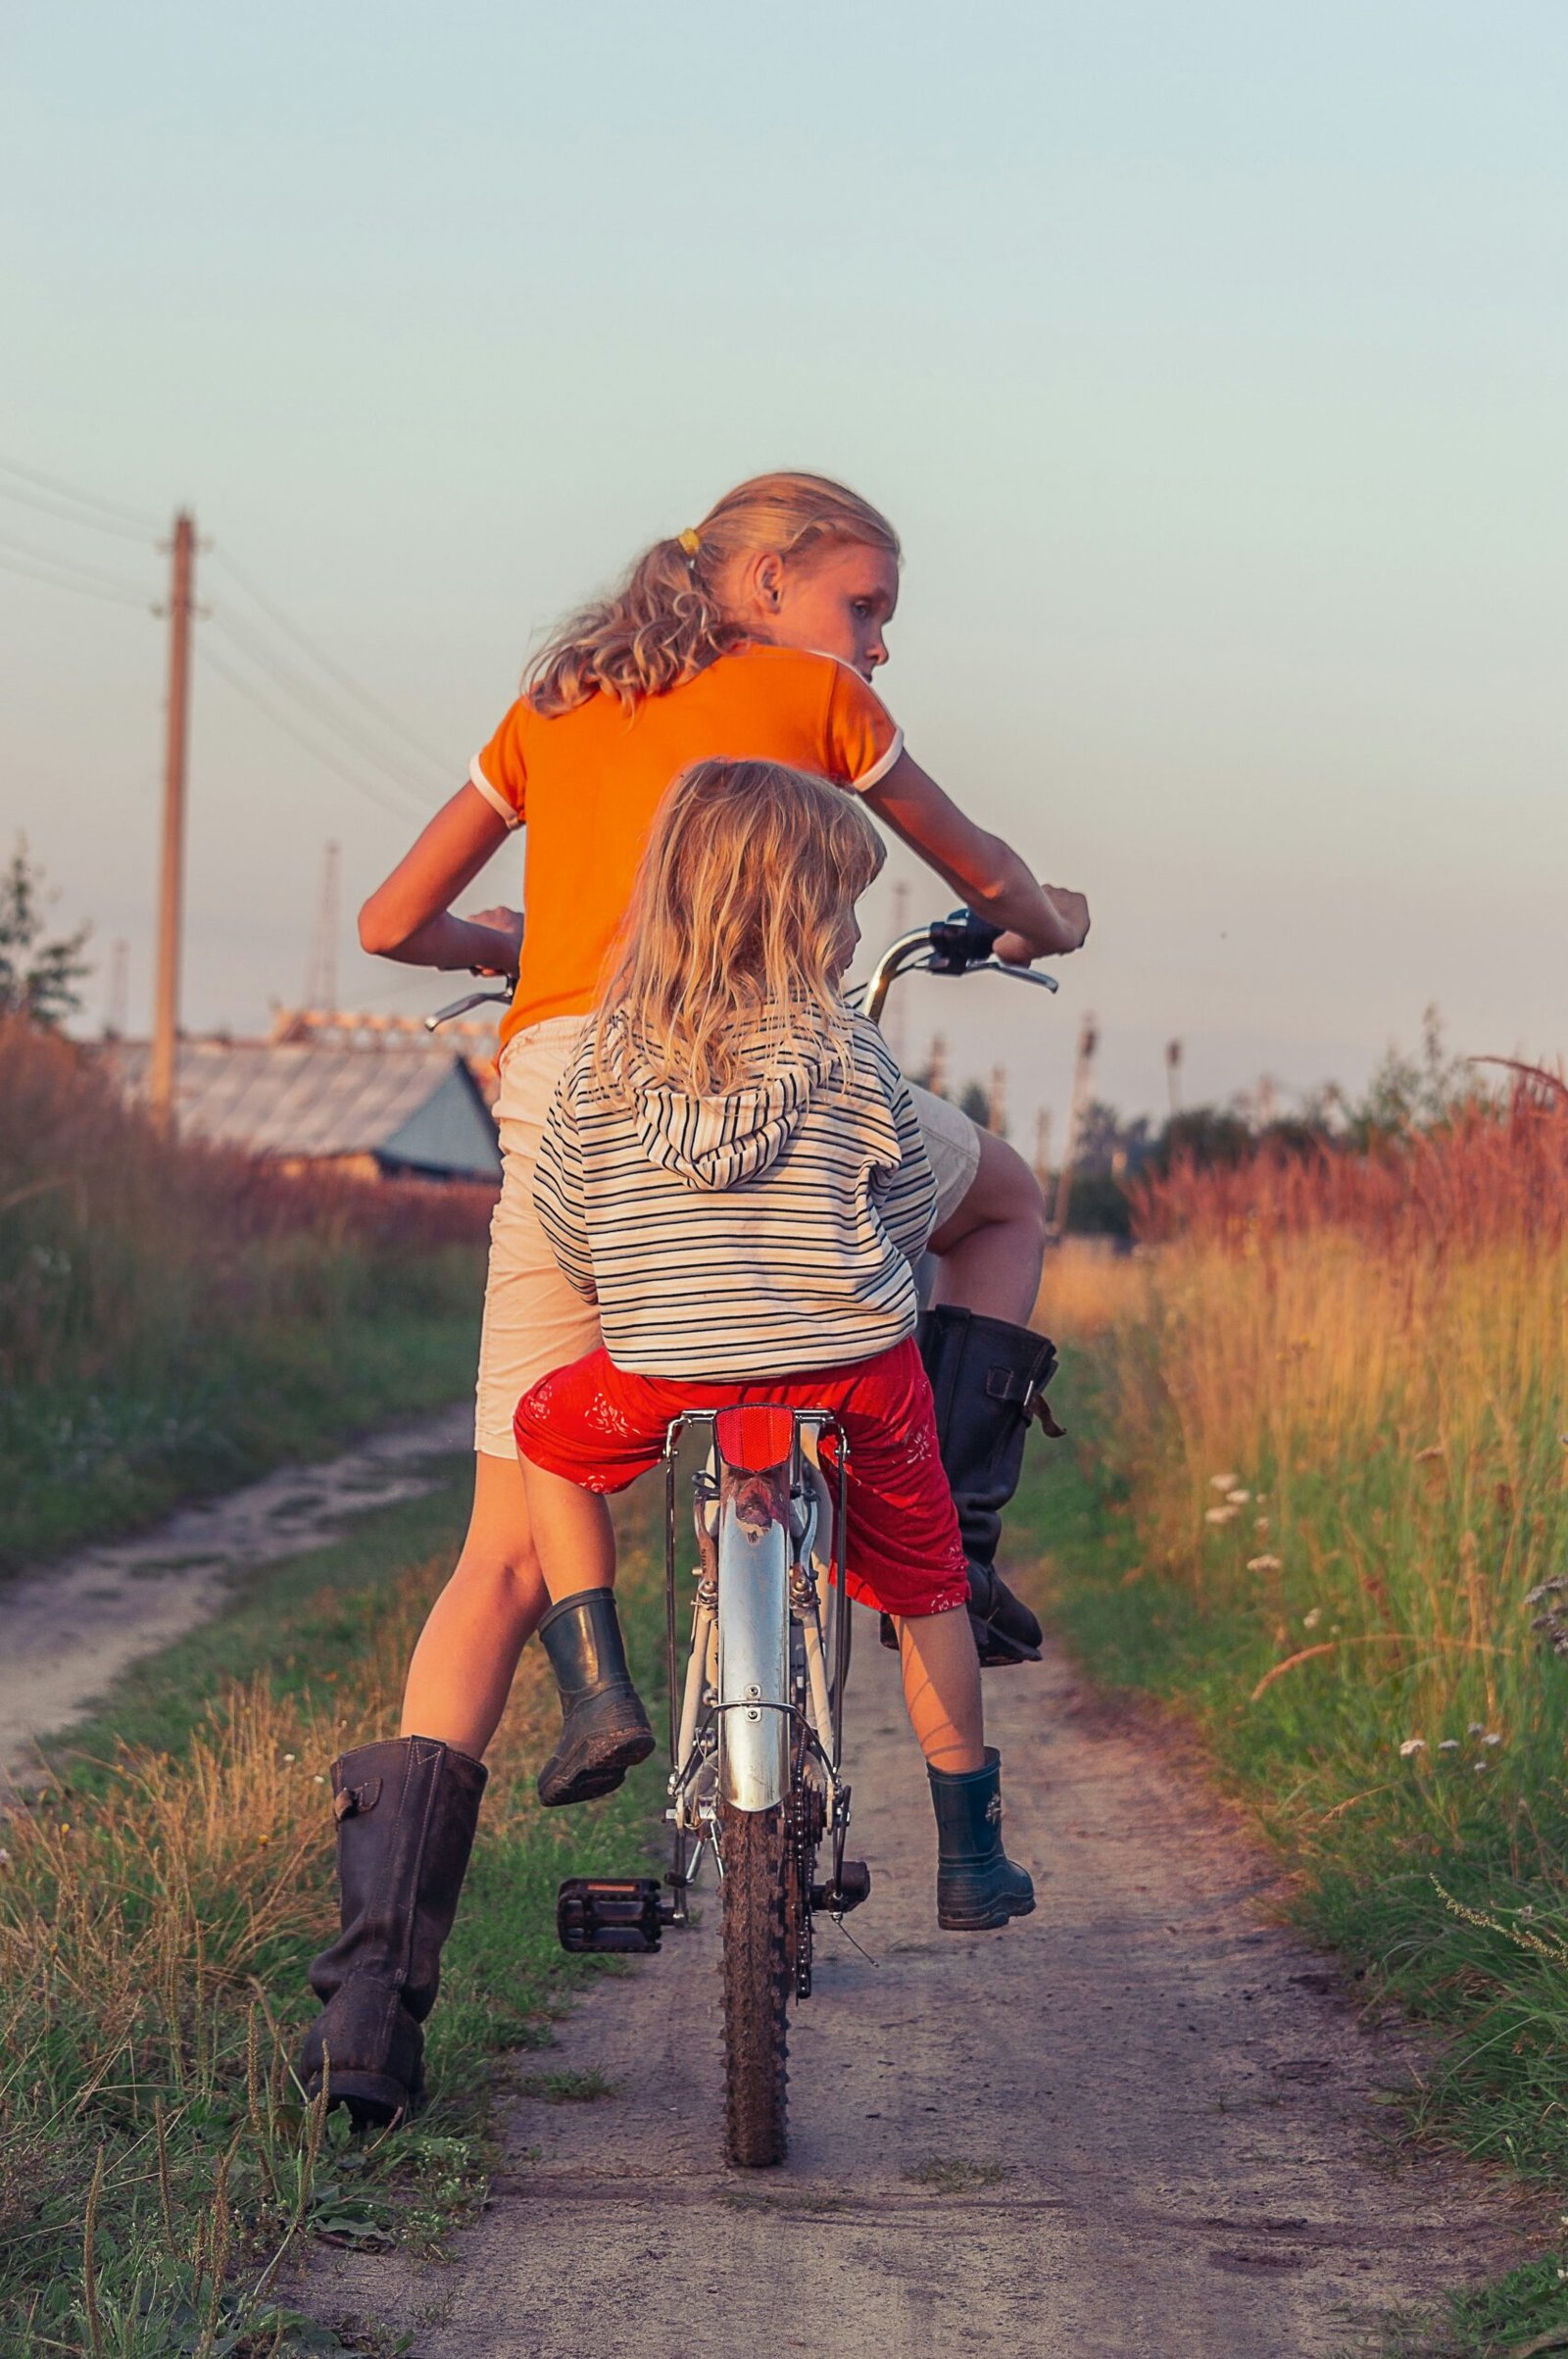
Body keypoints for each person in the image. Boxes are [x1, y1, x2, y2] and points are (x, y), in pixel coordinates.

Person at [300, 472, 1085, 2126]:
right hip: (777, 1066)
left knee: (509, 1539)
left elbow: (387, 922)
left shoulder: (553, 699)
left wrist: (507, 950)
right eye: (867, 601)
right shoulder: (817, 698)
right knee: (1004, 1198)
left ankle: (367, 2011)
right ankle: (948, 1542)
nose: (878, 635)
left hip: (569, 1092)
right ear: (772, 576)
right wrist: (1044, 916)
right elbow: (985, 865)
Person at [511, 759, 1034, 1947]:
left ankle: (594, 1687)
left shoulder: (600, 1059)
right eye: (843, 908)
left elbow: (565, 1218)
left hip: (664, 1370)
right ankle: (969, 1851)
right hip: (853, 1374)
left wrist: (638, 1288)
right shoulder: (851, 1057)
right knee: (927, 1578)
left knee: (544, 1438)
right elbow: (903, 1202)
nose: (854, 934)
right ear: (795, 917)